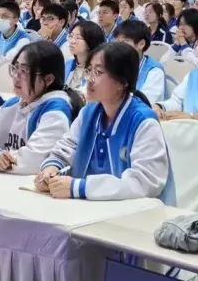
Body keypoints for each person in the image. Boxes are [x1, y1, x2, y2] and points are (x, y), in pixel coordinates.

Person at [35, 42, 173, 201]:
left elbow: (146, 182)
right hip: (85, 207)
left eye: (98, 72)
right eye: (89, 70)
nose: (89, 79)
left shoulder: (143, 121)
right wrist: (51, 168)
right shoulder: (88, 113)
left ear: (123, 81)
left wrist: (81, 187)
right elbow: (66, 149)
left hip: (129, 212)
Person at [0, 41, 77, 174]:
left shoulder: (56, 111)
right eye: (15, 68)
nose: (16, 76)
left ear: (48, 79)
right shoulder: (11, 104)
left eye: (24, 71)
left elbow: (32, 163)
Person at [113, 19, 167, 104]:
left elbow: (144, 104)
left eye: (124, 42)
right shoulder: (113, 64)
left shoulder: (154, 71)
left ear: (141, 44)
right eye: (116, 41)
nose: (117, 47)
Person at [65, 20, 105, 97]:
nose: (72, 41)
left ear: (90, 42)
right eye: (71, 36)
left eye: (78, 38)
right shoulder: (68, 64)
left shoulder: (98, 71)